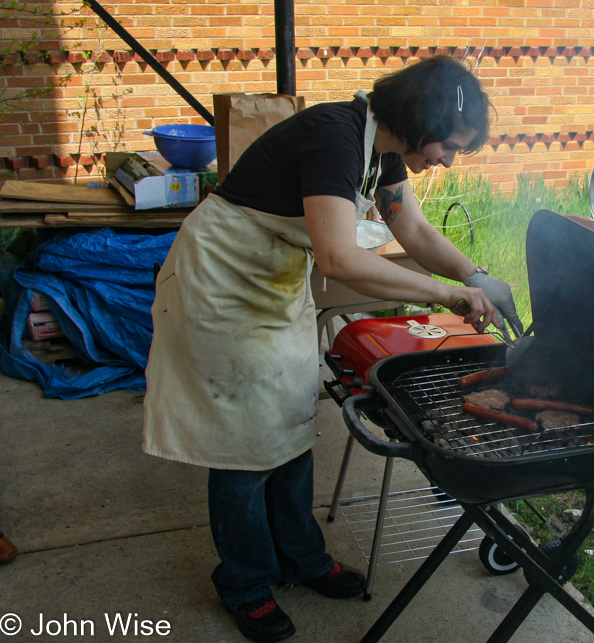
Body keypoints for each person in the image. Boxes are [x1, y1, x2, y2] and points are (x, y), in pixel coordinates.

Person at [142, 55, 522, 643]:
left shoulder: (388, 150)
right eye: (449, 145)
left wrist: (477, 275)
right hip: (221, 283)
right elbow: (340, 258)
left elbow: (412, 231)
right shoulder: (335, 138)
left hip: (269, 283)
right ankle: (245, 582)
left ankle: (301, 557)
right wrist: (448, 293)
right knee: (241, 445)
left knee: (290, 424)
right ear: (422, 120)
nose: (447, 159)